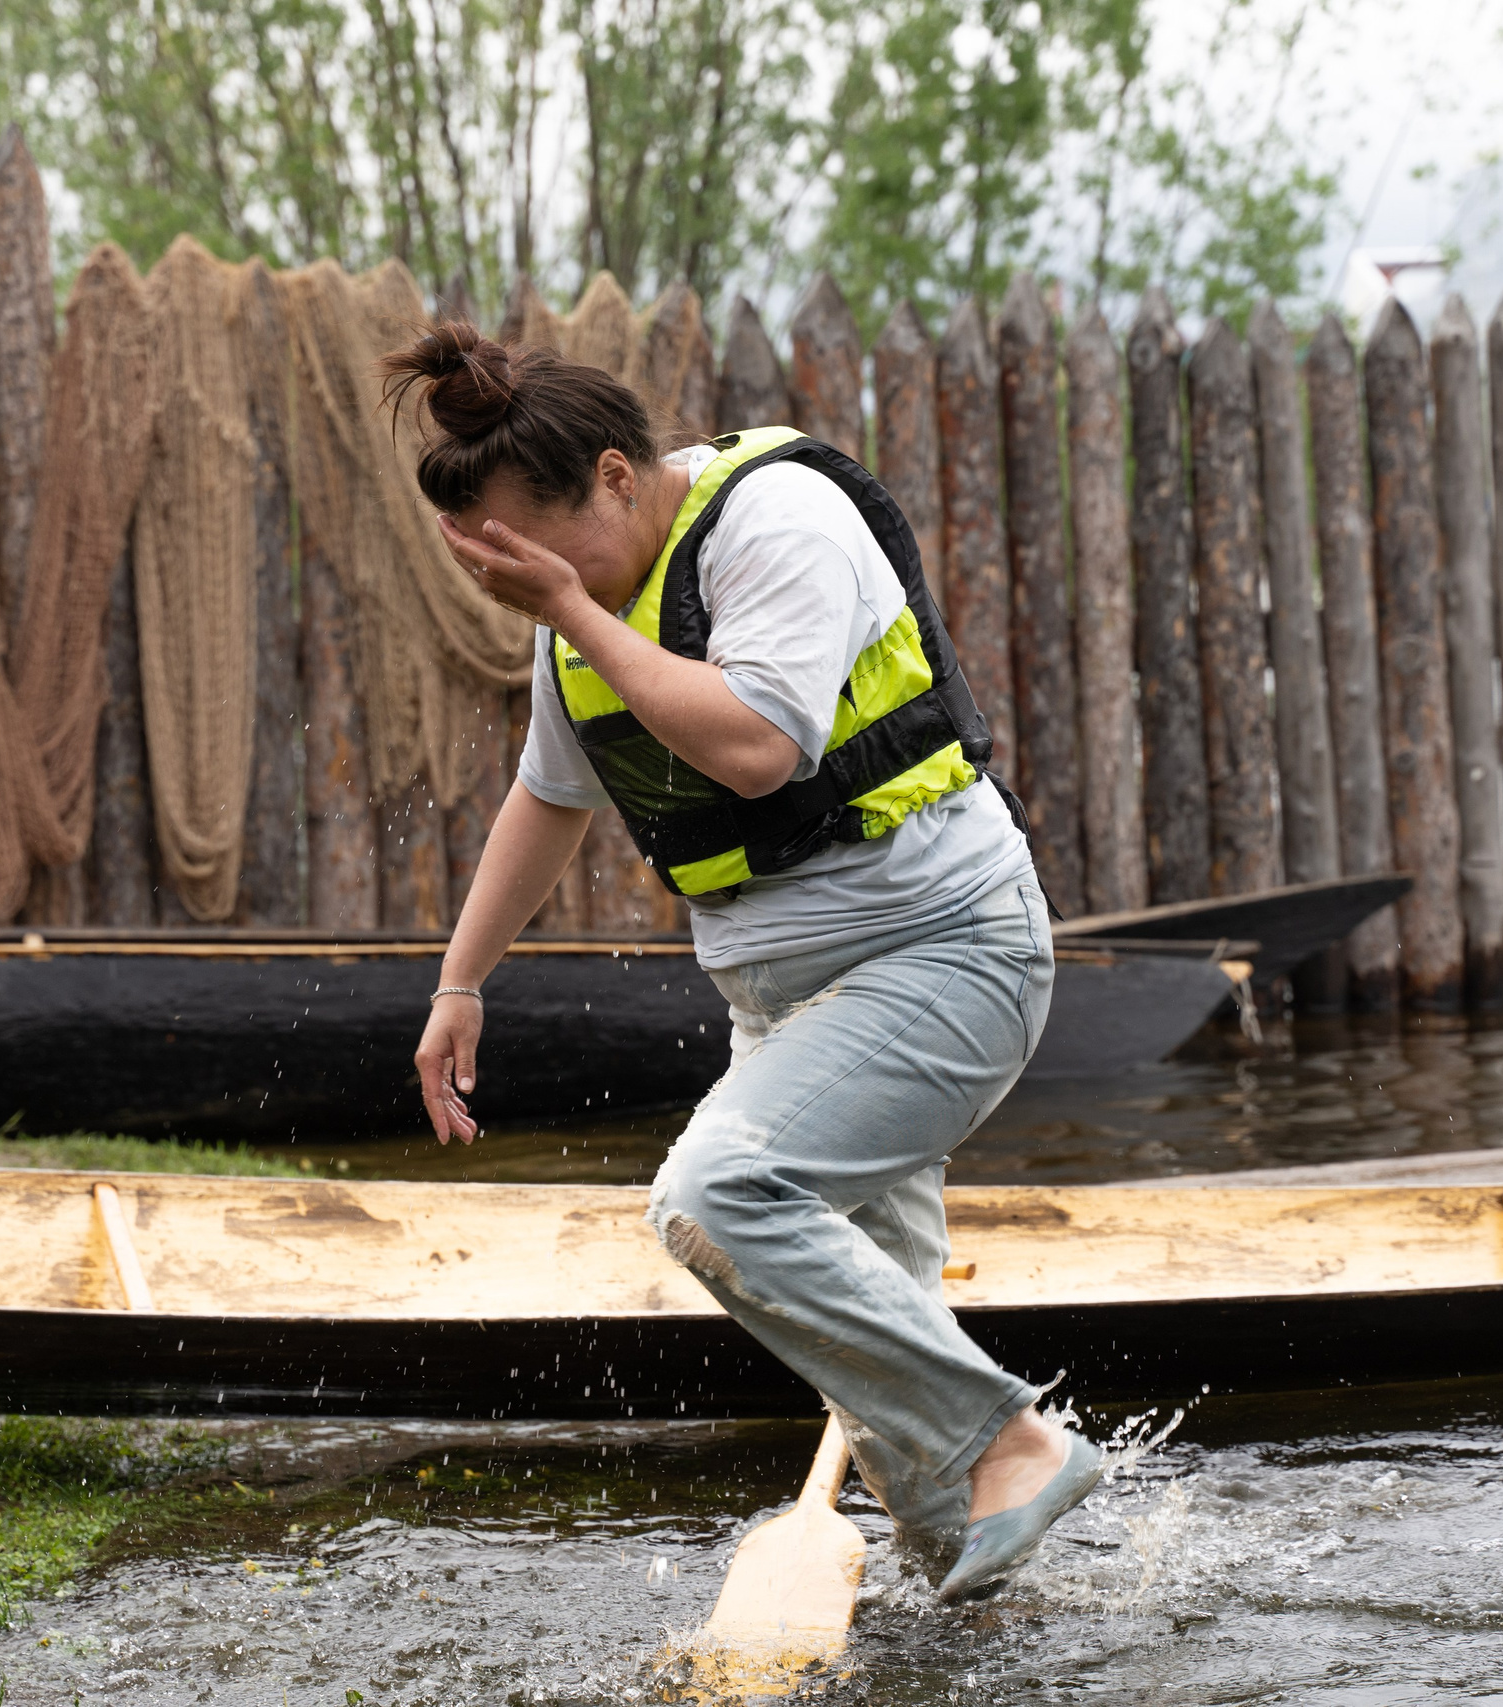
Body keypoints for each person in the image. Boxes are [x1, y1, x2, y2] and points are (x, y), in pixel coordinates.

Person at [399, 324, 1099, 1603]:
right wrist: (459, 983)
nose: (533, 584)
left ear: (617, 475)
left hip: (943, 956)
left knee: (715, 1197)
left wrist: (561, 608)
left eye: (541, 553)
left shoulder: (773, 521)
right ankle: (976, 1601)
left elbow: (763, 746)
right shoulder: (587, 613)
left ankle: (1014, 1439)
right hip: (782, 1008)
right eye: (506, 568)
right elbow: (546, 798)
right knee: (884, 1380)